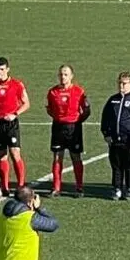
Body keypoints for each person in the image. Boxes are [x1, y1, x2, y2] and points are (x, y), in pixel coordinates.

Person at [0, 57, 31, 195]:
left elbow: (26, 103)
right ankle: (4, 188)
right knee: (2, 156)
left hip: (11, 124)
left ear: (7, 69)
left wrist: (15, 114)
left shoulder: (16, 84)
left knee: (15, 153)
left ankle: (21, 186)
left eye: (2, 69)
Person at [100, 72, 130, 200]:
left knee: (129, 166)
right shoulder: (112, 100)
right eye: (120, 83)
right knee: (116, 166)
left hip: (129, 141)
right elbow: (105, 118)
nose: (121, 85)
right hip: (114, 140)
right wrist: (106, 134)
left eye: (124, 83)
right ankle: (117, 188)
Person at [45, 65, 90, 197]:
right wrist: (58, 118)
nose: (63, 77)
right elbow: (49, 109)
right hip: (58, 127)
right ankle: (56, 188)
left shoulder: (79, 91)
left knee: (75, 156)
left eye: (65, 74)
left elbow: (86, 110)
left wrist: (77, 121)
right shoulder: (52, 92)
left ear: (71, 76)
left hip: (74, 128)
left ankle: (79, 187)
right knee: (57, 156)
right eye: (61, 74)